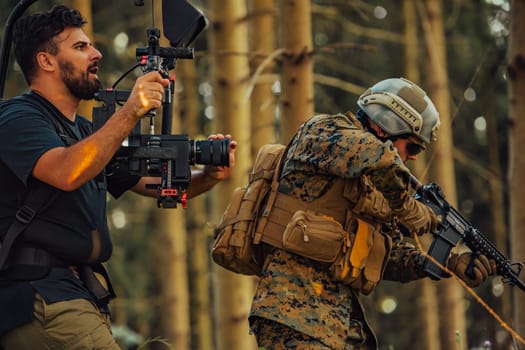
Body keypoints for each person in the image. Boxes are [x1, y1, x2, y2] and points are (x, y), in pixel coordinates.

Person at [0, 5, 236, 349]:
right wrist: (130, 112)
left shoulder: (87, 131)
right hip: (40, 296)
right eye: (80, 47)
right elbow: (66, 171)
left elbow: (152, 186)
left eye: (91, 45)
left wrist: (209, 175)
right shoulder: (17, 117)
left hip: (79, 295)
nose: (96, 54)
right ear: (46, 61)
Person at [249, 77, 495, 349]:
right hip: (293, 316)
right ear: (384, 125)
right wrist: (412, 209)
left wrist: (447, 262)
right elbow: (377, 157)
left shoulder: (374, 182)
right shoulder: (323, 132)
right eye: (412, 146)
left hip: (341, 327)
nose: (413, 157)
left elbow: (386, 255)